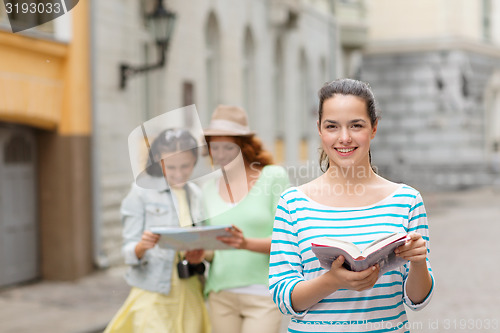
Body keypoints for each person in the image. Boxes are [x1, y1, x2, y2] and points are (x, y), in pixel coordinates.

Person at [269, 79, 434, 332]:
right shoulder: (293, 203)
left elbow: (417, 300)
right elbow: (283, 298)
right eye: (332, 126)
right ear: (319, 129)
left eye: (356, 126)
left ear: (374, 127)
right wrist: (332, 281)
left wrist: (419, 261)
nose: (344, 138)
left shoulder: (406, 200)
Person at [104, 128, 210, 333]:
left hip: (190, 291)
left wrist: (199, 254)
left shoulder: (195, 193)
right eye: (170, 166)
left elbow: (202, 239)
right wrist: (142, 246)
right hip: (154, 292)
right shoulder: (141, 193)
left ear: (194, 161)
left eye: (185, 166)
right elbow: (127, 251)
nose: (178, 173)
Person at [201, 105, 290, 333]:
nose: (220, 155)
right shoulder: (207, 190)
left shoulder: (272, 177)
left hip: (263, 293)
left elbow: (288, 240)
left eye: (228, 147)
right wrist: (198, 254)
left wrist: (245, 243)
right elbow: (213, 250)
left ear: (244, 147)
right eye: (214, 148)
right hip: (221, 293)